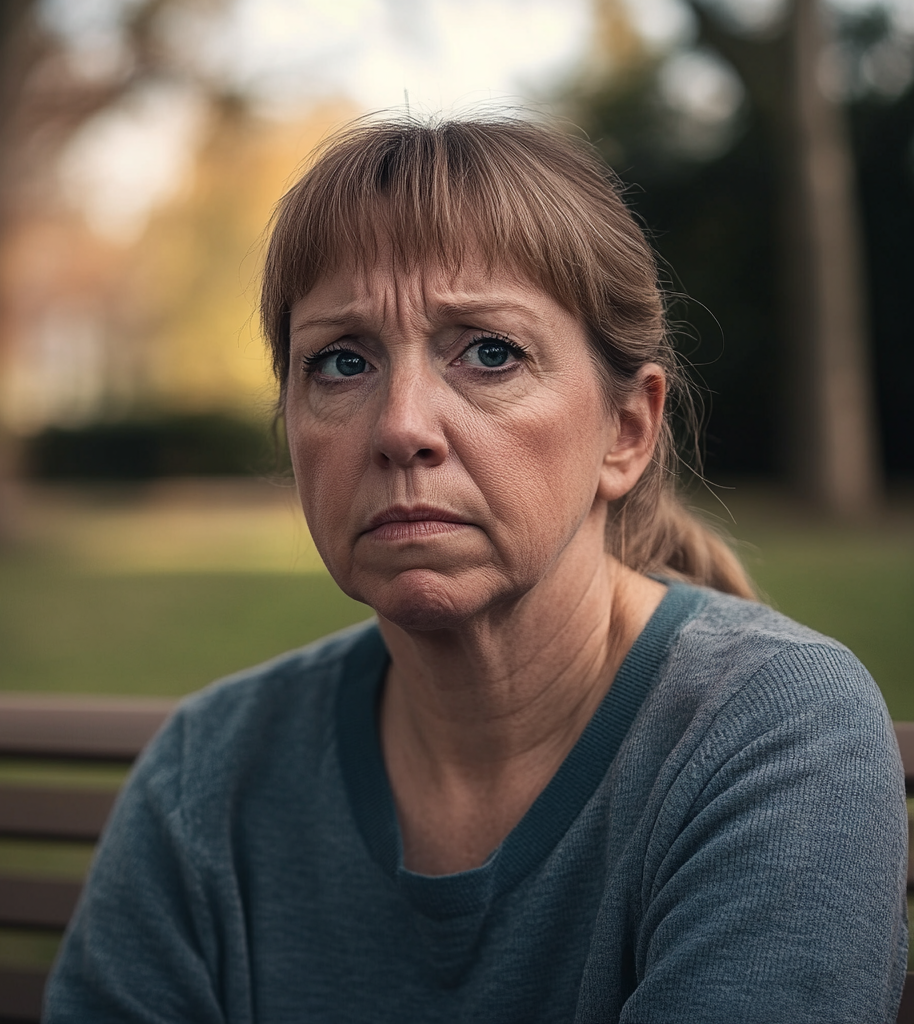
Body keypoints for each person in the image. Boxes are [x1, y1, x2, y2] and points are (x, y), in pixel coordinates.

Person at [44, 117, 907, 1023]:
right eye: (342, 362)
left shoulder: (771, 737)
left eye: (489, 352)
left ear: (627, 432)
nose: (400, 426)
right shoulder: (209, 776)